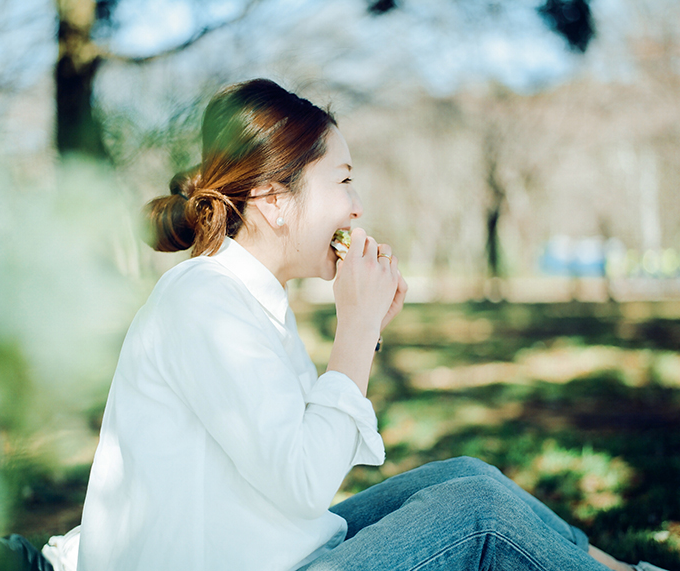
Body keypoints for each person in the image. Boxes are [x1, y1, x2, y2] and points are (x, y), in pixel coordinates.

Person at [36, 79, 668, 571]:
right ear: (274, 202)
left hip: (278, 553)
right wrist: (356, 333)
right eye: (341, 180)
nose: (357, 205)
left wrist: (366, 327)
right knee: (478, 515)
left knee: (468, 477)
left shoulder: (250, 296)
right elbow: (305, 481)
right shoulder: (204, 299)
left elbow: (298, 458)